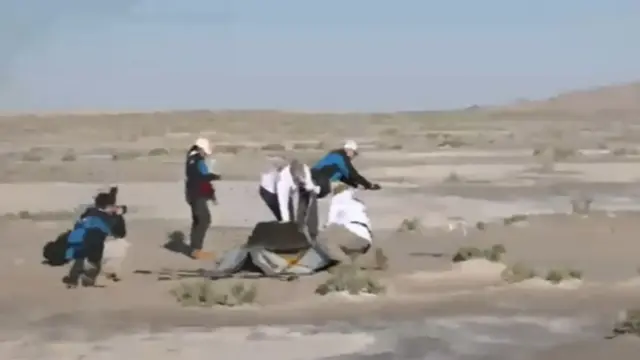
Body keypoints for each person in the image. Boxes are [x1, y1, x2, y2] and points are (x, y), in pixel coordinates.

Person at [300, 140, 381, 240]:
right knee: (318, 195)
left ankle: (304, 229)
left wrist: (357, 185)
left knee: (309, 202)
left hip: (315, 178)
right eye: (354, 154)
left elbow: (344, 177)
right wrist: (369, 185)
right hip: (318, 178)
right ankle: (308, 231)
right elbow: (352, 173)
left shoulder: (336, 158)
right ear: (349, 150)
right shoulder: (340, 157)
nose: (353, 157)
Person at [315, 184, 387, 270]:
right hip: (365, 240)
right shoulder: (357, 202)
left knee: (322, 237)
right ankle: (360, 260)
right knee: (337, 238)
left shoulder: (337, 199)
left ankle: (344, 264)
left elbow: (330, 222)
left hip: (352, 233)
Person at [63, 191, 127, 288]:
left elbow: (81, 221)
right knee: (94, 263)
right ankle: (88, 279)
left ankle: (73, 280)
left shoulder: (90, 212)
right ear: (108, 207)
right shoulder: (109, 218)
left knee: (79, 260)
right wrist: (118, 216)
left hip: (77, 238)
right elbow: (120, 233)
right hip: (94, 242)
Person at [184, 137, 221, 259]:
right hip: (197, 194)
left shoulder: (191, 160)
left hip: (192, 194)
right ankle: (196, 250)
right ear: (200, 149)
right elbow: (202, 178)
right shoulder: (197, 161)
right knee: (204, 220)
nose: (205, 154)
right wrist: (215, 177)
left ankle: (195, 249)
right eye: (204, 151)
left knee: (198, 220)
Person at [259, 158, 320, 223]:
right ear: (294, 178)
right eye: (299, 182)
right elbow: (283, 206)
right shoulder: (283, 183)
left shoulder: (304, 169)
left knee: (292, 216)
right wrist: (286, 222)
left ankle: (291, 227)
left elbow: (309, 185)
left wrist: (315, 189)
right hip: (269, 191)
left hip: (282, 182)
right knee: (284, 217)